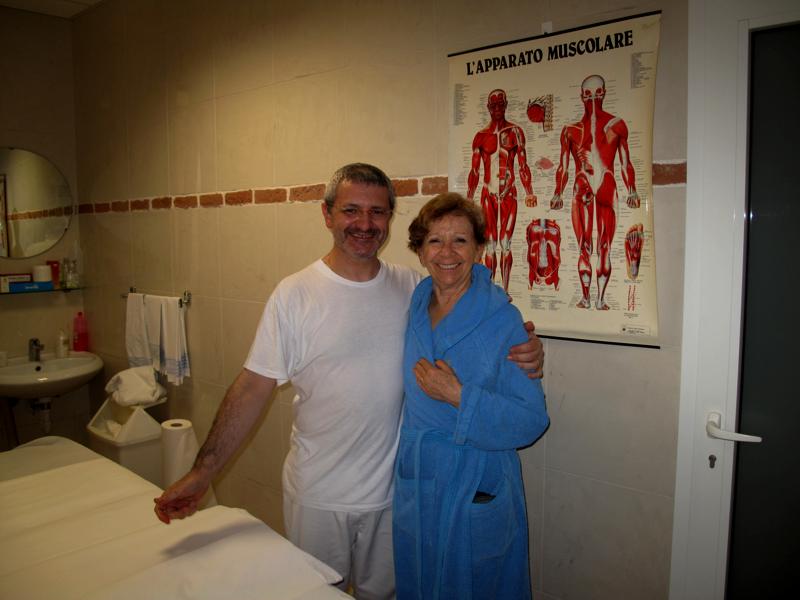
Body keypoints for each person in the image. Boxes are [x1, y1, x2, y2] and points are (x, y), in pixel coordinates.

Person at [153, 163, 544, 600]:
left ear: (390, 219)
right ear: (327, 215)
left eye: (377, 212)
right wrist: (202, 471)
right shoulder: (296, 295)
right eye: (351, 210)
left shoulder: (409, 288)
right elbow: (251, 388)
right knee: (316, 593)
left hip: (394, 495)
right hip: (319, 496)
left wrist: (526, 345)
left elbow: (475, 317)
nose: (364, 223)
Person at [393, 193, 549, 600]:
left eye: (460, 241)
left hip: (475, 484)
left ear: (479, 249)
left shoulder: (503, 319)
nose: (447, 253)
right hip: (419, 483)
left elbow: (532, 419)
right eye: (434, 241)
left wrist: (460, 396)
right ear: (420, 251)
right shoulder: (415, 304)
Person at [550, 74, 640, 310]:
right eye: (588, 95)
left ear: (604, 93)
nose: (592, 99)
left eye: (597, 94)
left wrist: (632, 190)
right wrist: (557, 193)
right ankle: (587, 298)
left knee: (604, 247)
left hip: (606, 185)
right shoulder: (570, 130)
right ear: (582, 96)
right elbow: (563, 166)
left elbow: (625, 163)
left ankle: (599, 299)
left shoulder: (616, 125)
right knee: (585, 246)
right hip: (583, 186)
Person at [467, 89, 537, 292]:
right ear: (488, 107)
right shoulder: (481, 137)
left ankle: (505, 292)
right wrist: (469, 198)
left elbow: (523, 165)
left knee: (506, 243)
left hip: (509, 193)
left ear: (506, 105)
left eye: (500, 104)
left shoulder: (515, 132)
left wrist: (529, 192)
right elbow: (475, 170)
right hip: (488, 194)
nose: (497, 108)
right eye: (493, 105)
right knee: (490, 245)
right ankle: (490, 291)